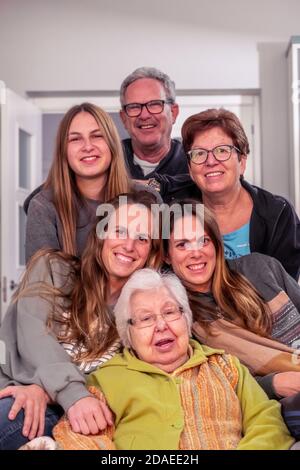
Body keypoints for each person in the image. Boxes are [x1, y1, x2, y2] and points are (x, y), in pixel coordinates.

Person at [47, 269, 293, 450]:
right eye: (145, 319)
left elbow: (267, 420)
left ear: (186, 318)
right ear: (127, 333)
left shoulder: (226, 366)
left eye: (169, 312)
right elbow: (80, 438)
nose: (161, 325)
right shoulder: (106, 380)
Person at [0, 191, 162, 450]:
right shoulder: (52, 269)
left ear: (151, 252)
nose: (129, 246)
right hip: (20, 394)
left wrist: (52, 393)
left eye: (142, 238)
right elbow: (27, 339)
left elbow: (125, 381)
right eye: (119, 231)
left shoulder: (140, 314)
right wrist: (53, 390)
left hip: (82, 420)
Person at [164, 199, 300, 439]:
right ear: (167, 256)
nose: (196, 253)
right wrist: (275, 384)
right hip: (278, 408)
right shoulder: (179, 318)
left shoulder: (259, 268)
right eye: (182, 244)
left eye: (203, 240)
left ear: (216, 244)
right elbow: (206, 389)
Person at [159, 108, 300, 280]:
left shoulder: (278, 214)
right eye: (199, 153)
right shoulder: (172, 207)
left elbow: (284, 288)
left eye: (222, 151)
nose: (210, 161)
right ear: (190, 168)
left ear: (242, 161)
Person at [24, 102, 130, 262]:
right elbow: (42, 282)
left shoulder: (146, 199)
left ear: (112, 143)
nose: (88, 146)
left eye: (97, 135)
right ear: (63, 151)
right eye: (75, 139)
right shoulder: (43, 206)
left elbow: (155, 272)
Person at [120, 67, 189, 184]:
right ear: (123, 118)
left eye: (154, 104)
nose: (144, 115)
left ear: (173, 113)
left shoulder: (196, 162)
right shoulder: (107, 162)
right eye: (134, 107)